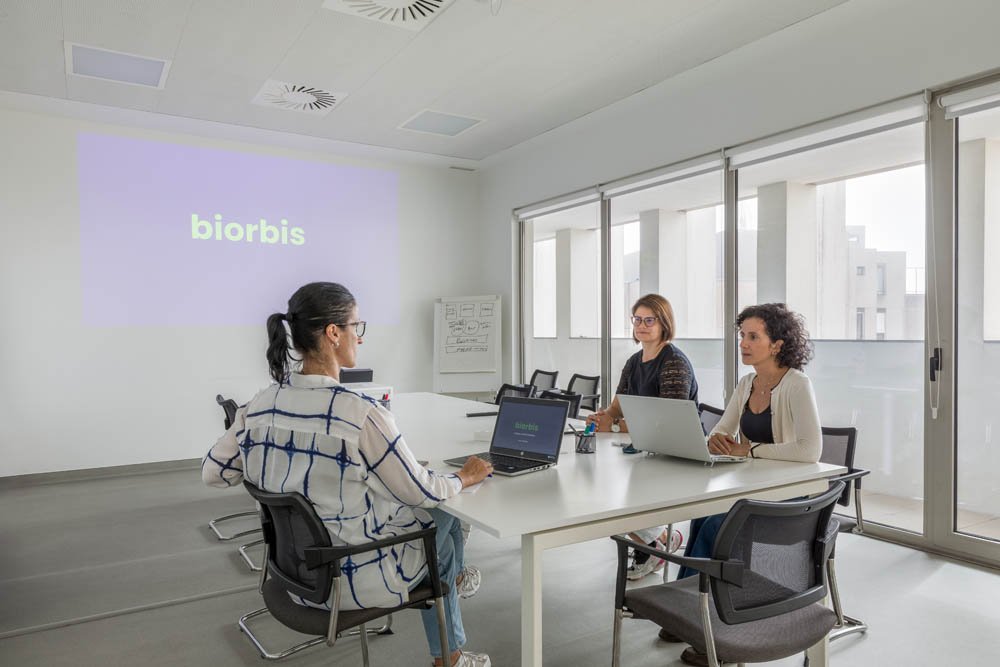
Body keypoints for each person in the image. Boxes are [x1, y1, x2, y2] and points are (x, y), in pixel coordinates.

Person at [202, 282, 494, 667]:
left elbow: (214, 474)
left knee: (442, 527)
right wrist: (466, 477)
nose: (360, 335)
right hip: (352, 577)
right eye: (357, 325)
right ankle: (450, 648)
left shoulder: (258, 405)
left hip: (294, 574)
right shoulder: (359, 414)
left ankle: (452, 585)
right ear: (333, 333)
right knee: (443, 515)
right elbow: (422, 492)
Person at [670, 303, 821, 667]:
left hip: (790, 498)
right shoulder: (747, 383)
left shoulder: (797, 384)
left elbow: (810, 449)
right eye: (742, 335)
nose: (744, 343)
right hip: (753, 490)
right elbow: (724, 427)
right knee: (701, 518)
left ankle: (711, 631)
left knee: (717, 528)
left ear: (777, 345)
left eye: (754, 337)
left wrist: (749, 448)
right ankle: (689, 612)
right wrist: (717, 440)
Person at [585, 293, 699, 580]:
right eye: (637, 319)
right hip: (647, 447)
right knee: (598, 490)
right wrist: (604, 418)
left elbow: (667, 422)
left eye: (650, 320)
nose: (642, 325)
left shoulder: (674, 362)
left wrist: (614, 427)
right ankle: (659, 540)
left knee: (611, 497)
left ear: (664, 324)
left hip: (677, 453)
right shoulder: (635, 361)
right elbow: (617, 407)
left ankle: (653, 546)